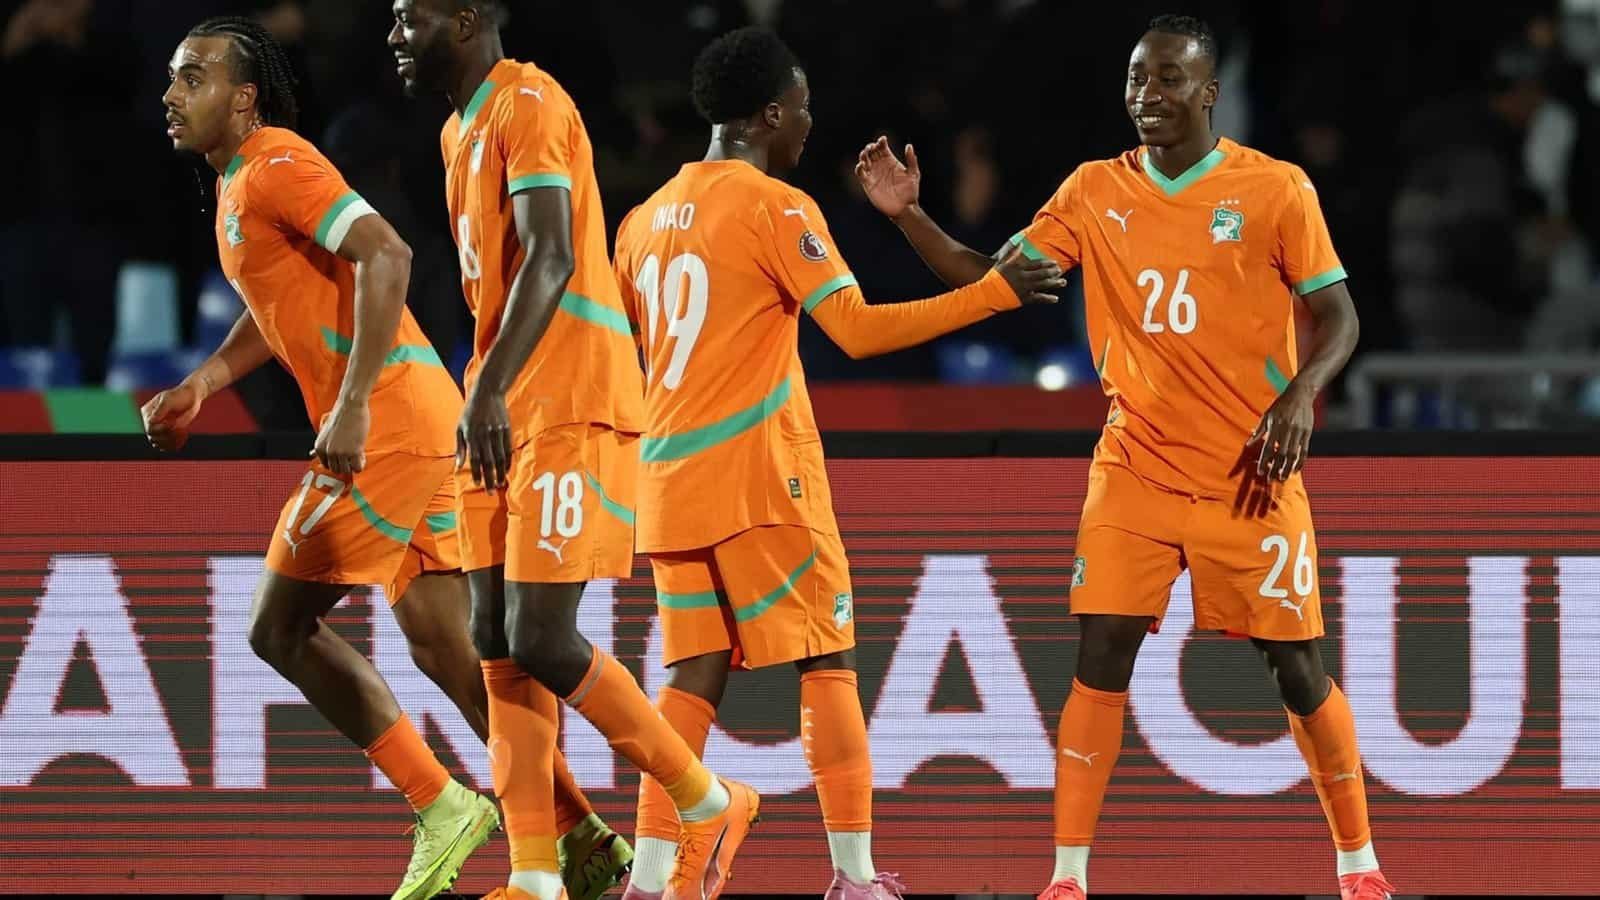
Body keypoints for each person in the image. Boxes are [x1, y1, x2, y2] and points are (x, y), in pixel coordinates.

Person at [853, 14, 1391, 900]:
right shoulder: (1093, 190)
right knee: (1100, 650)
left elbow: (1340, 316)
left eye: (1169, 78)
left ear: (1209, 92)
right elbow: (991, 281)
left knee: (1298, 668)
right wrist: (908, 216)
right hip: (1134, 467)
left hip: (1248, 472)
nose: (1148, 94)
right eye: (1138, 78)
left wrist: (1300, 395)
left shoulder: (1275, 188)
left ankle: (1360, 866)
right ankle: (1067, 877)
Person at [144, 17, 615, 900]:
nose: (172, 94)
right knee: (449, 649)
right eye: (173, 77)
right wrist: (205, 381)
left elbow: (386, 252)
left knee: (276, 627)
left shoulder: (278, 163)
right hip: (419, 417)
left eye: (193, 77)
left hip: (389, 425)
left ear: (244, 99)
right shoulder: (243, 182)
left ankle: (441, 803)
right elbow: (280, 303)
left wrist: (354, 402)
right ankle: (574, 831)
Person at [611, 26, 1063, 900]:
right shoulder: (776, 207)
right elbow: (854, 330)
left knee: (690, 680)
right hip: (759, 479)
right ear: (769, 114)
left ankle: (653, 879)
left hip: (665, 483)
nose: (811, 121)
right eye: (803, 105)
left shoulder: (639, 223)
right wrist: (990, 294)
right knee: (827, 661)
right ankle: (854, 879)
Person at [388, 4, 758, 899]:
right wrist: (489, 391)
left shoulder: (532, 102)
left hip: (569, 397)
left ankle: (708, 801)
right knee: (491, 637)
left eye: (409, 18)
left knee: (541, 635)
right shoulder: (456, 132)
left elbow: (551, 258)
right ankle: (535, 875)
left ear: (465, 19)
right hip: (503, 406)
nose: (395, 37)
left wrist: (486, 386)